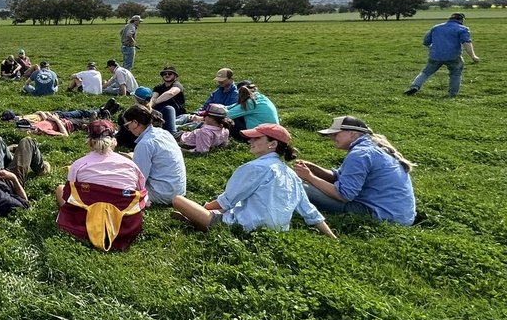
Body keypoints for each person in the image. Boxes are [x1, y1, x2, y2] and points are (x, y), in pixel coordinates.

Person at [171, 124, 337, 238]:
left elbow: (225, 202)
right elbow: (309, 211)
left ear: (272, 144)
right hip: (276, 231)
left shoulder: (255, 168)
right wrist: (332, 237)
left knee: (178, 200)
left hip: (244, 227)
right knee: (236, 207)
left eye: (257, 138)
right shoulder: (291, 173)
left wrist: (203, 207)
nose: (251, 141)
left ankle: (199, 221)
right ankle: (197, 221)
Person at [293, 116, 417, 226]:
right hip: (399, 216)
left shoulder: (360, 154)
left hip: (382, 216)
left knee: (300, 186)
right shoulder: (370, 148)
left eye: (336, 134)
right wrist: (315, 169)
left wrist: (310, 177)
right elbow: (340, 178)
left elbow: (343, 195)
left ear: (352, 133)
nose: (331, 137)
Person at [56, 119, 148, 250]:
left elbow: (69, 193)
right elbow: (140, 191)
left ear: (90, 142)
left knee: (61, 189)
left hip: (84, 222)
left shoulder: (79, 164)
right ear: (113, 140)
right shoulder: (130, 165)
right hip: (125, 227)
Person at [120, 105, 186, 205]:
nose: (127, 128)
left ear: (135, 123)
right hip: (178, 191)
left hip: (162, 194)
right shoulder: (164, 133)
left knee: (119, 188)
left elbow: (139, 179)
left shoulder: (145, 144)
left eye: (127, 125)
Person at [406, 12, 480, 97]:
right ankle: (452, 94)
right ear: (461, 20)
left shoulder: (436, 27)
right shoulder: (463, 29)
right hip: (453, 57)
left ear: (449, 19)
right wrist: (473, 56)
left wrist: (431, 48)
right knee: (455, 74)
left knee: (426, 73)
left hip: (435, 56)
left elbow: (426, 41)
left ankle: (415, 86)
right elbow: (467, 43)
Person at [150, 65, 186, 134]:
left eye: (170, 74)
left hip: (175, 112)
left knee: (169, 109)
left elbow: (170, 93)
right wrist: (150, 105)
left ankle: (172, 133)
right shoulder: (158, 87)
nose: (167, 75)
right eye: (164, 74)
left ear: (175, 76)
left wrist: (155, 102)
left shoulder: (177, 85)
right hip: (160, 110)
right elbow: (153, 97)